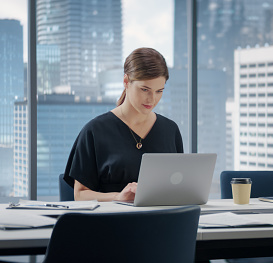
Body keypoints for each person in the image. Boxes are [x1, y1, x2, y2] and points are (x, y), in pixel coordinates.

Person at [63, 47, 183, 202]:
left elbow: (179, 185)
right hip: (112, 221)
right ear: (126, 81)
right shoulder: (94, 131)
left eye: (159, 91)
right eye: (145, 89)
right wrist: (118, 197)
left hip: (162, 221)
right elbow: (80, 195)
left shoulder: (170, 130)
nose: (152, 99)